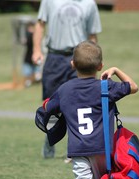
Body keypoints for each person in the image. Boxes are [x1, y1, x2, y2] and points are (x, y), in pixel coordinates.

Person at [42, 41, 139, 179]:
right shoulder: (106, 87)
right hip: (102, 147)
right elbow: (133, 87)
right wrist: (116, 70)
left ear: (72, 64)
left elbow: (48, 108)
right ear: (100, 66)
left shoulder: (65, 89)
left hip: (78, 147)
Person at [32, 0, 102, 161]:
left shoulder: (89, 4)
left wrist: (93, 61)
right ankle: (49, 140)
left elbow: (92, 36)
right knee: (50, 104)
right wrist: (36, 50)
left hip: (78, 58)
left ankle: (75, 148)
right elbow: (40, 25)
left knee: (77, 103)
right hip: (54, 57)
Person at [22, 22, 42, 88]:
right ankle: (29, 81)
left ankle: (36, 80)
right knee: (28, 72)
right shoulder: (28, 35)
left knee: (37, 73)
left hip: (35, 56)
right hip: (28, 57)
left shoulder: (35, 35)